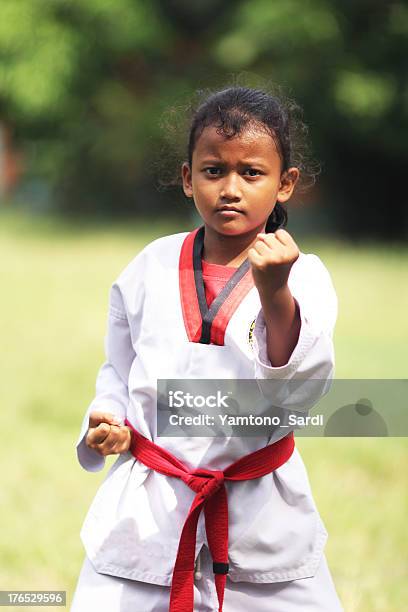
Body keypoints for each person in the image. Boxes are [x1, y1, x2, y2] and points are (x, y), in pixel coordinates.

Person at [71, 85, 343, 611]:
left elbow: (299, 388)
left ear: (285, 184)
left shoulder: (304, 275)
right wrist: (108, 415)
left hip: (259, 509)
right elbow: (120, 367)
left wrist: (274, 290)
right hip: (152, 507)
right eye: (213, 170)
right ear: (186, 178)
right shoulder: (151, 264)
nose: (231, 189)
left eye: (252, 173)